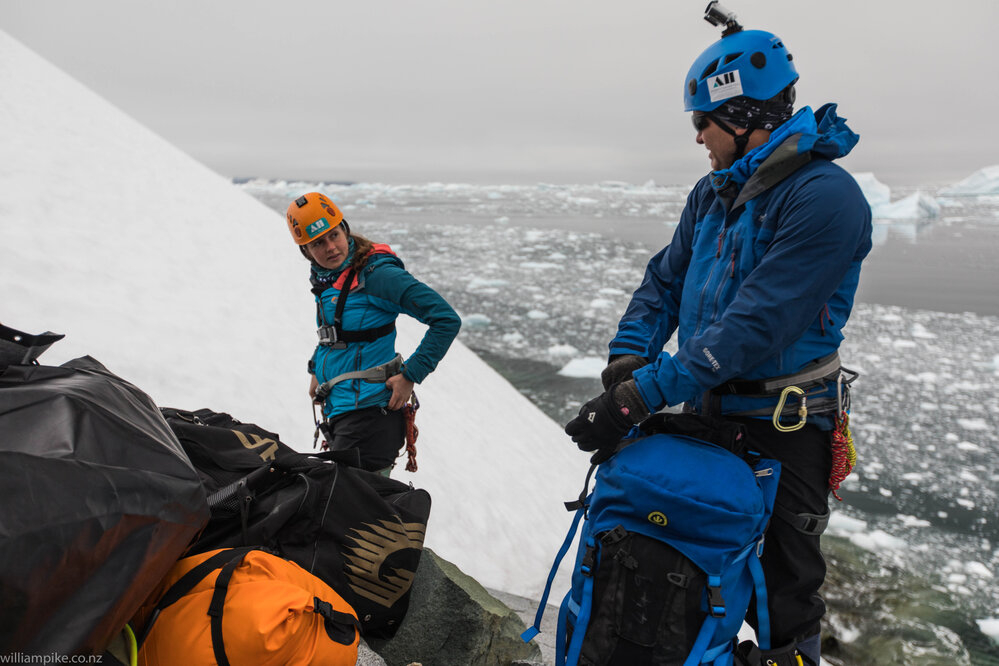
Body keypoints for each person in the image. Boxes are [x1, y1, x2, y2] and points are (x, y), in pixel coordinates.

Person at [563, 14, 872, 666]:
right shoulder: (712, 194)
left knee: (784, 594)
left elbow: (756, 324)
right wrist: (629, 359)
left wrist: (641, 395)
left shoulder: (825, 197)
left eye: (704, 120)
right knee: (691, 559)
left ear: (745, 115)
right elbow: (663, 283)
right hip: (708, 408)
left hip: (785, 423)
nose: (697, 135)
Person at [287, 192, 461, 476]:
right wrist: (316, 369)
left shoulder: (377, 276)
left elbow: (446, 319)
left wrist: (410, 375)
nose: (331, 247)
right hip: (345, 411)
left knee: (346, 501)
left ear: (344, 228)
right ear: (305, 250)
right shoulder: (327, 278)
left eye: (334, 235)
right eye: (318, 243)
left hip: (371, 416)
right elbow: (337, 334)